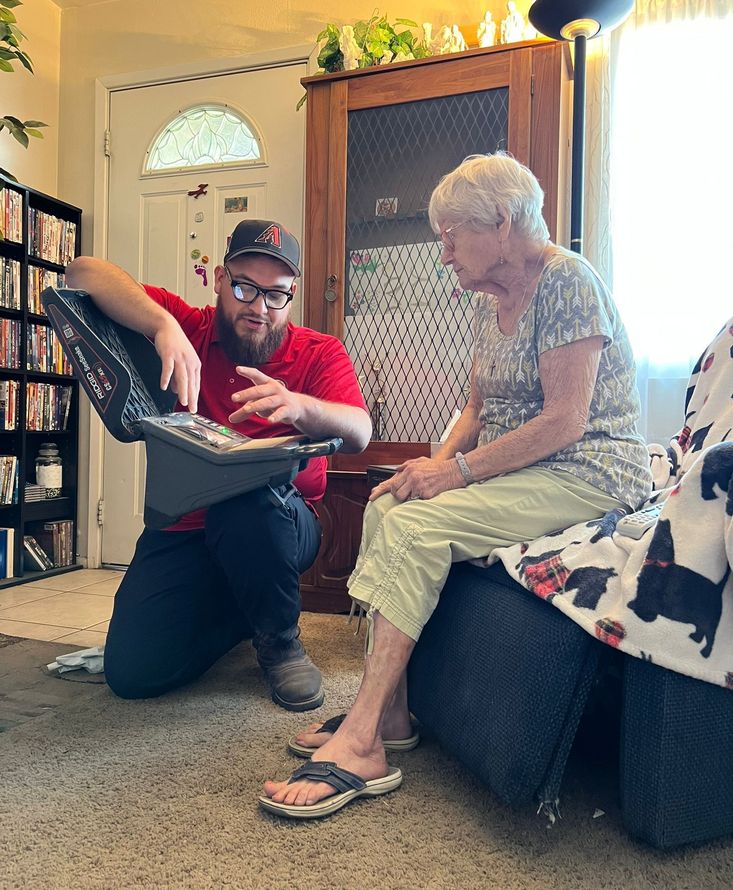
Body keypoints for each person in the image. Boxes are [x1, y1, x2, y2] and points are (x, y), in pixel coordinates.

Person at [260, 153, 653, 817]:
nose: (442, 254)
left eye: (450, 236)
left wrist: (453, 474)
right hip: (522, 467)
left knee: (414, 525)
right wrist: (428, 471)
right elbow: (474, 410)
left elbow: (565, 420)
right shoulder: (484, 300)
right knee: (389, 505)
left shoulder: (566, 282)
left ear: (501, 223)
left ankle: (359, 740)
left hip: (589, 470)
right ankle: (391, 716)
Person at [65, 219, 371, 711]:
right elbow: (82, 272)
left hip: (281, 523)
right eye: (245, 287)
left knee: (246, 498)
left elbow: (359, 431)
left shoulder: (318, 352)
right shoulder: (189, 326)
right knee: (134, 673)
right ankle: (243, 610)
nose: (259, 308)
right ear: (219, 281)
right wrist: (160, 325)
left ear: (290, 297)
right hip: (185, 524)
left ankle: (278, 641)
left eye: (276, 295)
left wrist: (301, 406)